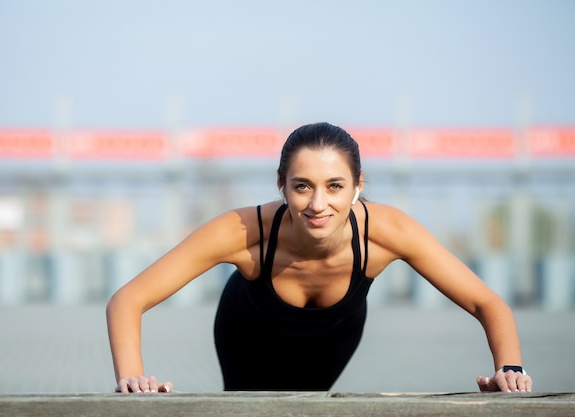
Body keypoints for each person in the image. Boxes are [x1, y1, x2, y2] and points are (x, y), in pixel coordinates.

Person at [106, 122, 533, 393]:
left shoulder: (388, 233)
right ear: (281, 184)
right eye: (302, 186)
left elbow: (487, 303)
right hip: (247, 334)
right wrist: (133, 379)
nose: (317, 204)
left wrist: (509, 369)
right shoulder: (241, 231)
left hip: (335, 334)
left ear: (357, 186)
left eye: (334, 186)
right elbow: (128, 300)